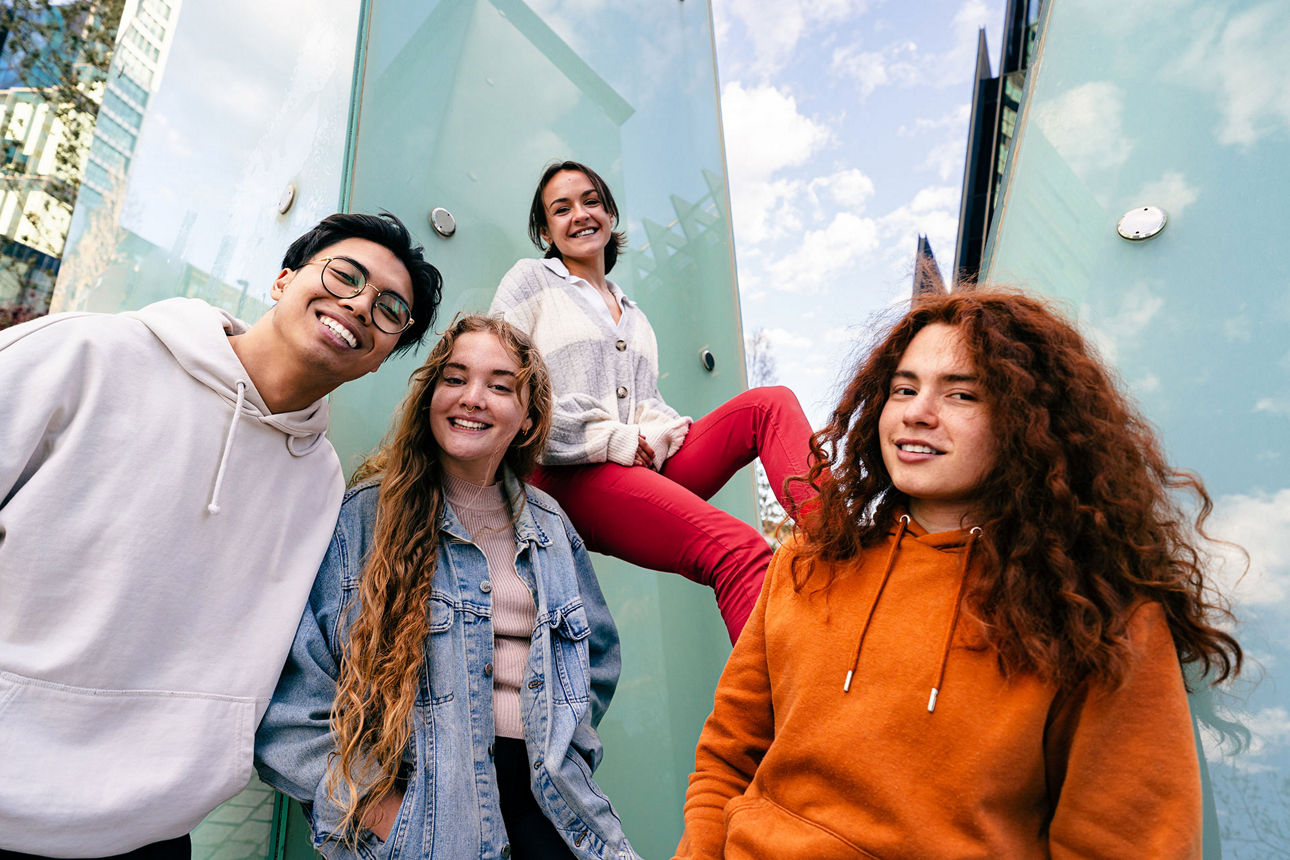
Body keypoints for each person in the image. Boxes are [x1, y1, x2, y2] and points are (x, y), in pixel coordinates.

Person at [673, 289, 1244, 859]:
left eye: (962, 393)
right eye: (904, 388)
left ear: (1029, 420)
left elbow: (1127, 844)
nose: (917, 412)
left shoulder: (1098, 614)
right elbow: (726, 759)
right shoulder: (806, 563)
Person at [0, 212, 443, 859]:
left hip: (151, 829)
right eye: (345, 275)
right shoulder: (89, 354)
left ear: (382, 357)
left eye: (389, 309)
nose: (358, 304)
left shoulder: (322, 482)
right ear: (282, 279)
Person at [254, 316, 639, 860]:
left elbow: (595, 662)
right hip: (426, 819)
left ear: (527, 419)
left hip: (557, 811)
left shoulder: (551, 526)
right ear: (431, 395)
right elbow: (294, 707)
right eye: (455, 379)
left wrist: (565, 749)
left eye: (501, 386)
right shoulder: (367, 516)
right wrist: (383, 811)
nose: (473, 398)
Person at [490, 160, 815, 642]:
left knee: (770, 404)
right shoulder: (531, 282)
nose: (579, 214)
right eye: (562, 209)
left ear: (610, 214)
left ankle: (846, 553)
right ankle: (779, 711)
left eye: (591, 201)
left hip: (636, 467)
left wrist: (657, 433)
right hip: (563, 473)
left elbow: (649, 407)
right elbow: (500, 387)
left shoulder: (636, 316)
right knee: (740, 552)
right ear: (546, 231)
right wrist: (611, 438)